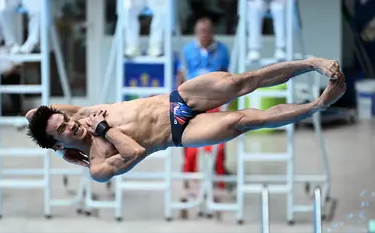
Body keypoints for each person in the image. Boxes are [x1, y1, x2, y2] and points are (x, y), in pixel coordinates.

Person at [26, 57, 346, 183]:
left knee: (241, 82)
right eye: (64, 131)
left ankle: (311, 64)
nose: (71, 124)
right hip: (180, 132)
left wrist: (60, 150)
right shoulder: (97, 163)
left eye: (65, 120)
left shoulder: (78, 115)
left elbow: (31, 115)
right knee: (244, 120)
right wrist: (103, 130)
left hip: (177, 99)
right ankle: (317, 105)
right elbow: (135, 153)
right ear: (57, 138)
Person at [177, 17, 230, 195]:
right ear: (196, 33)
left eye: (207, 30)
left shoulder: (222, 50)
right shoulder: (187, 50)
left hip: (215, 99)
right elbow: (181, 75)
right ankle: (189, 177)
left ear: (212, 32)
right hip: (192, 100)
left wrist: (227, 102)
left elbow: (228, 75)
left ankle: (219, 175)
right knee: (190, 140)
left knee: (219, 141)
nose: (204, 34)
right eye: (201, 31)